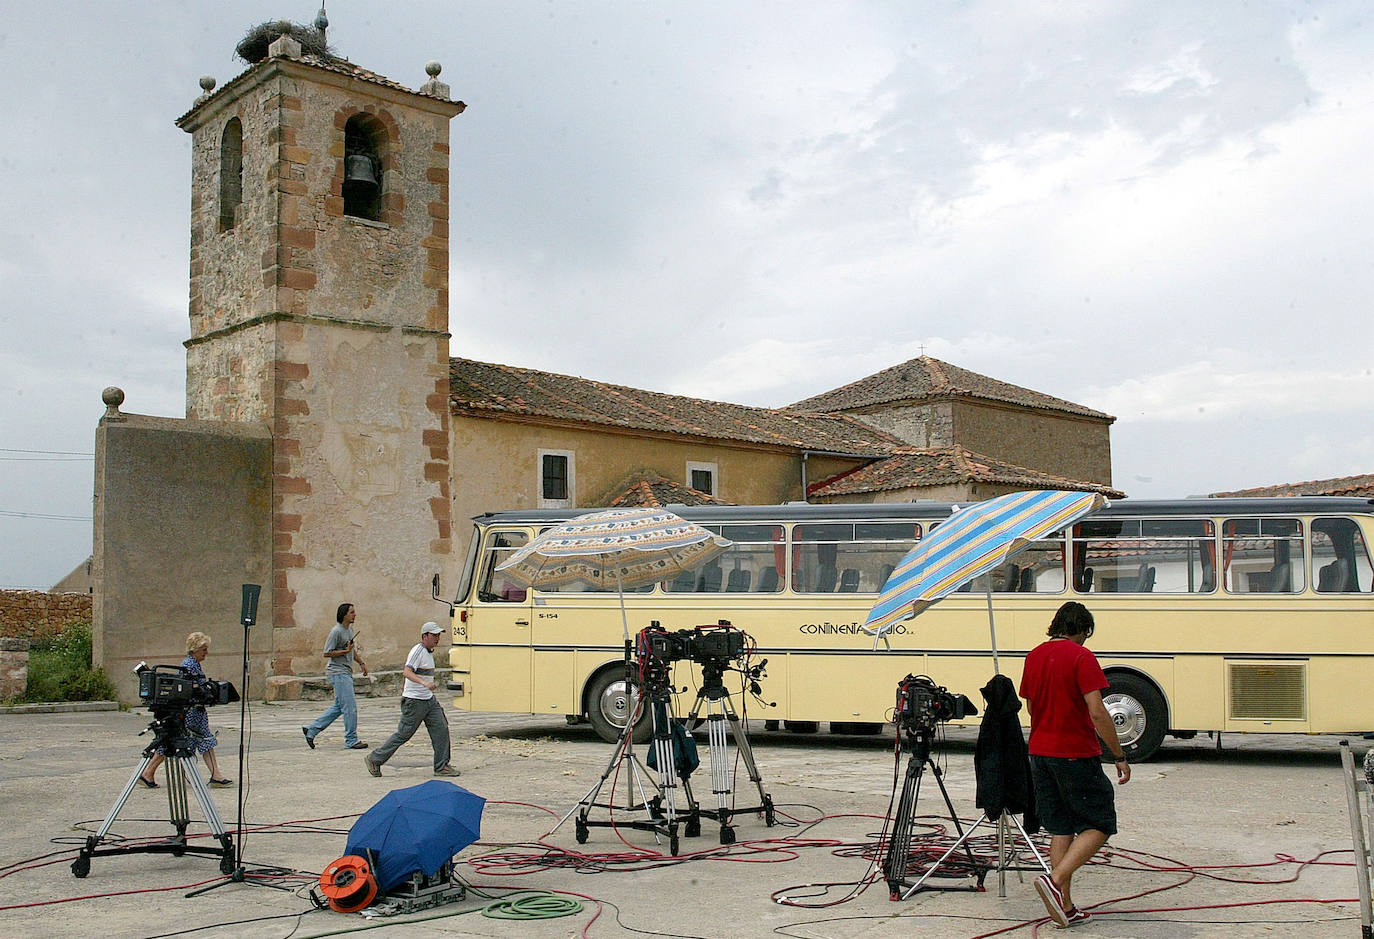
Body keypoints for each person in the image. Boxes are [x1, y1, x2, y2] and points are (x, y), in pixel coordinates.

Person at [1018, 601, 1130, 929]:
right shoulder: (1082, 657)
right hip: (1075, 752)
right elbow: (1098, 711)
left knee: (1060, 827)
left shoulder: (1034, 656)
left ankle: (1064, 906)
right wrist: (1119, 755)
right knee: (1100, 822)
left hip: (1040, 752)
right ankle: (1056, 880)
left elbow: (1030, 706)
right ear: (1083, 630)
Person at [364, 622, 458, 778]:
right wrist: (424, 682)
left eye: (438, 635)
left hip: (428, 700)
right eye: (434, 635)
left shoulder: (428, 653)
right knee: (403, 734)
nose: (437, 638)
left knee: (441, 728)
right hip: (414, 701)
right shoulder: (418, 651)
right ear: (424, 636)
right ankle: (375, 759)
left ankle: (442, 766)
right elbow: (407, 672)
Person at [138, 632, 231, 789]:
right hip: (192, 712)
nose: (206, 653)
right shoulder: (190, 665)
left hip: (195, 711)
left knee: (192, 741)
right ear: (195, 649)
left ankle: (215, 775)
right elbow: (188, 689)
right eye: (204, 650)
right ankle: (148, 772)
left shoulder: (191, 664)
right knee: (179, 741)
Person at [303, 602, 370, 750]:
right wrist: (344, 652)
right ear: (344, 614)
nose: (355, 615)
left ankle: (311, 730)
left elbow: (351, 650)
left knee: (340, 707)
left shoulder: (349, 630)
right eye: (352, 612)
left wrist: (361, 662)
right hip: (337, 672)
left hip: (345, 672)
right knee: (350, 707)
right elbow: (327, 652)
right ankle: (351, 740)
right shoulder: (336, 631)